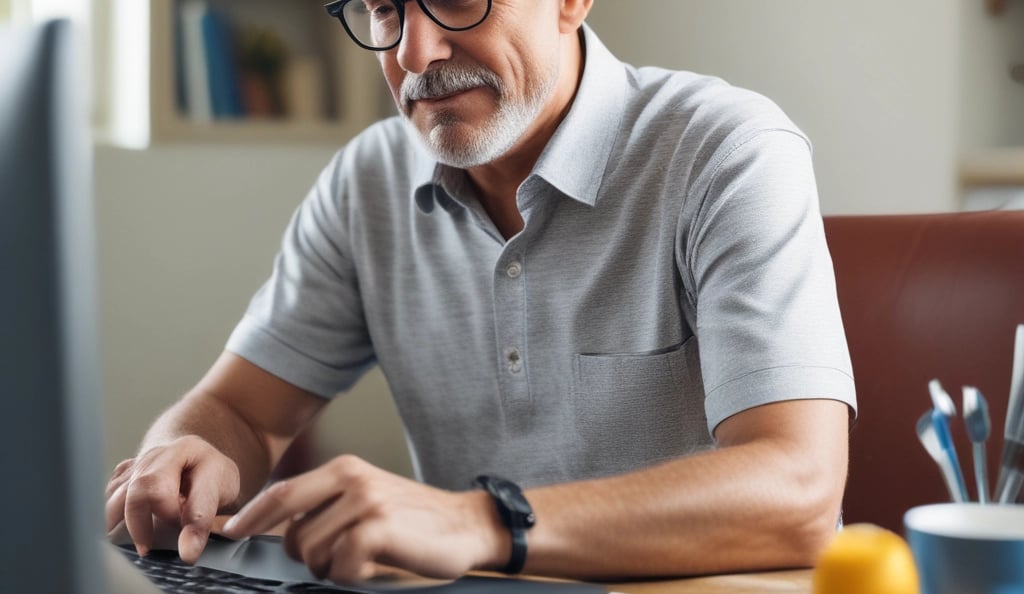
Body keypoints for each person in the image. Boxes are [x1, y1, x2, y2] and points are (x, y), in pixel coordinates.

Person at [105, 0, 856, 584]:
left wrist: (482, 524)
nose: (413, 54)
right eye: (384, 9)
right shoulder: (366, 182)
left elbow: (800, 491)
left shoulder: (726, 152)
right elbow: (237, 409)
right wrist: (179, 458)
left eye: (460, 1)